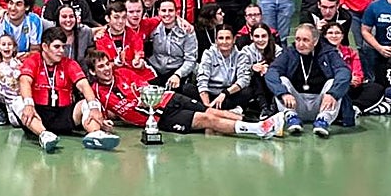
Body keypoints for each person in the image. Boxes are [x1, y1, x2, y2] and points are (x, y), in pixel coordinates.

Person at [92, 50, 282, 139]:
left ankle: (260, 125)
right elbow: (100, 113)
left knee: (212, 111)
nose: (106, 68)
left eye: (107, 63)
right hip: (162, 118)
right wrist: (104, 122)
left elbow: (145, 91)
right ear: (93, 72)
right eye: (100, 66)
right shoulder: (96, 92)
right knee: (208, 118)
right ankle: (258, 130)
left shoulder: (123, 72)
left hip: (170, 98)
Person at [16, 28, 120, 153]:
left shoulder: (70, 63)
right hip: (38, 114)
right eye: (57, 47)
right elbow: (25, 81)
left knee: (90, 102)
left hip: (63, 115)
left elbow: (83, 85)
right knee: (18, 101)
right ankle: (44, 135)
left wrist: (94, 109)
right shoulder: (32, 61)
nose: (61, 51)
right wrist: (28, 104)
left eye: (63, 47)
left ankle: (96, 135)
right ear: (44, 46)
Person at [265, 23, 351, 138]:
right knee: (282, 80)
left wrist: (333, 94)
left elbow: (344, 72)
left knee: (333, 83)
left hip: (321, 104)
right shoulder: (289, 53)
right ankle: (291, 117)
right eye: (297, 39)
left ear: (315, 41)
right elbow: (272, 71)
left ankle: (323, 120)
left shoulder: (328, 52)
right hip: (295, 103)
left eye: (305, 40)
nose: (300, 44)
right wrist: (283, 93)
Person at [321, 22, 384, 117]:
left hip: (350, 87)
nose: (334, 36)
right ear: (325, 36)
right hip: (332, 89)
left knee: (376, 88)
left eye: (337, 33)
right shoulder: (321, 53)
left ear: (342, 36)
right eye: (330, 33)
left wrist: (354, 80)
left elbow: (358, 74)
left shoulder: (350, 52)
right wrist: (345, 80)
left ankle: (355, 108)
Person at [93, 1, 154, 87]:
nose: (120, 21)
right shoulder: (101, 39)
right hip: (116, 79)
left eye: (124, 17)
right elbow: (103, 65)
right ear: (107, 18)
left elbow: (139, 54)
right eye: (116, 17)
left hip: (139, 76)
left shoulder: (133, 34)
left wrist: (138, 62)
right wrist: (115, 63)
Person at [146, 0, 198, 95]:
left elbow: (191, 60)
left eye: (170, 10)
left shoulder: (187, 30)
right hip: (155, 69)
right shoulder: (152, 26)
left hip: (176, 70)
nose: (167, 14)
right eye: (163, 10)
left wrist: (178, 75)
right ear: (158, 12)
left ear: (176, 12)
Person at [196, 25, 250, 109]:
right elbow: (202, 78)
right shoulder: (208, 54)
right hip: (210, 92)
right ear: (216, 40)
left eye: (228, 38)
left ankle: (220, 109)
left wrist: (225, 93)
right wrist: (207, 104)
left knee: (247, 91)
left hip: (229, 93)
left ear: (234, 39)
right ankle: (210, 109)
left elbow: (243, 80)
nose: (224, 42)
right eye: (221, 38)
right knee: (187, 89)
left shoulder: (241, 55)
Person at [237, 23, 280, 118]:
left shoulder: (277, 50)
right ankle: (264, 107)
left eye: (264, 36)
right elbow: (241, 73)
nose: (260, 40)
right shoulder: (246, 51)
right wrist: (252, 68)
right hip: (253, 87)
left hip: (272, 86)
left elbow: (284, 69)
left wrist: (269, 70)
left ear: (269, 36)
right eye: (257, 36)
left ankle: (273, 105)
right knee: (256, 75)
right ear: (251, 37)